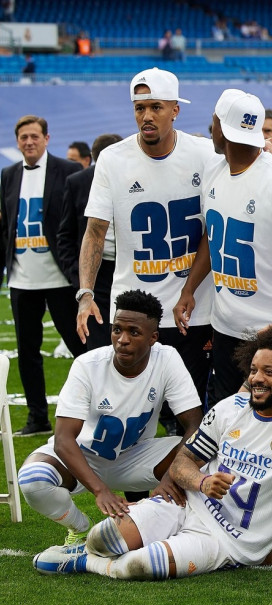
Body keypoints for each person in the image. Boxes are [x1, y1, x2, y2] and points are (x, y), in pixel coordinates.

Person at [33, 327, 272, 582]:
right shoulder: (230, 409)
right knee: (104, 537)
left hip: (228, 541)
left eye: (269, 372)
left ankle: (84, 562)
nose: (257, 379)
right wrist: (202, 483)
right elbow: (183, 463)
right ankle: (89, 548)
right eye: (254, 370)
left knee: (138, 566)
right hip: (186, 504)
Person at [174, 89, 272, 407]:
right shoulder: (215, 171)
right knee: (227, 416)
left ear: (219, 127)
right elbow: (213, 235)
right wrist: (189, 288)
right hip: (226, 327)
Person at [77, 68, 216, 438]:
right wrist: (85, 293)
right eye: (139, 107)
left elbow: (212, 230)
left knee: (193, 417)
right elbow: (94, 232)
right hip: (134, 310)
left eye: (156, 106)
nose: (146, 116)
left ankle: (192, 493)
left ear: (175, 110)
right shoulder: (113, 158)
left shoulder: (203, 153)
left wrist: (270, 151)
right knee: (128, 418)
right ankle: (137, 497)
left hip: (196, 309)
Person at [17, 290, 202, 545]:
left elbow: (194, 425)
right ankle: (81, 528)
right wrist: (100, 490)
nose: (122, 340)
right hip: (85, 456)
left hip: (136, 456)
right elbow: (63, 440)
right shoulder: (88, 365)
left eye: (133, 332)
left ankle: (184, 529)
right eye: (117, 330)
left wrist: (172, 477)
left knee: (204, 458)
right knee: (32, 479)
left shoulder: (167, 358)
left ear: (153, 338)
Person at [0, 115, 86, 436]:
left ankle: (92, 411)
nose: (29, 142)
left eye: (35, 136)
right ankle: (38, 417)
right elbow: (7, 223)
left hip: (60, 277)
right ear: (18, 141)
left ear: (47, 138)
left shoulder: (68, 171)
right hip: (22, 279)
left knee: (81, 348)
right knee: (27, 352)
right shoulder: (8, 175)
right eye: (23, 137)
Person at [59, 133, 122, 351]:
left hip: (131, 266)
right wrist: (80, 280)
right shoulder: (78, 182)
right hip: (98, 273)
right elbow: (65, 235)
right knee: (98, 346)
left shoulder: (138, 175)